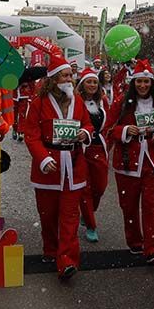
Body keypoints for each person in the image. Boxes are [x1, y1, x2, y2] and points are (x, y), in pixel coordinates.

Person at [21, 52, 94, 280]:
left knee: (70, 216)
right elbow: (31, 134)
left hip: (73, 165)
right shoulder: (38, 103)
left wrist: (85, 133)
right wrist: (43, 158)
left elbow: (88, 124)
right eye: (65, 76)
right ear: (53, 79)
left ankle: (67, 261)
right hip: (49, 168)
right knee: (48, 215)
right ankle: (51, 249)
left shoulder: (77, 101)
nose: (70, 79)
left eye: (71, 75)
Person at [106, 59, 154, 264]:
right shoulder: (122, 102)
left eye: (146, 82)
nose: (143, 85)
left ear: (152, 83)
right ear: (133, 82)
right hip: (127, 162)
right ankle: (135, 241)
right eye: (139, 81)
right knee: (129, 206)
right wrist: (123, 131)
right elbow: (108, 129)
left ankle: (152, 248)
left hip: (151, 161)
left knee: (151, 206)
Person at [76, 67, 110, 243]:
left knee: (100, 186)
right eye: (88, 82)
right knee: (85, 189)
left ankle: (88, 211)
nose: (92, 85)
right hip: (81, 149)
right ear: (82, 84)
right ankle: (91, 225)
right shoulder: (74, 101)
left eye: (94, 82)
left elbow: (109, 123)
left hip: (98, 148)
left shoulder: (102, 101)